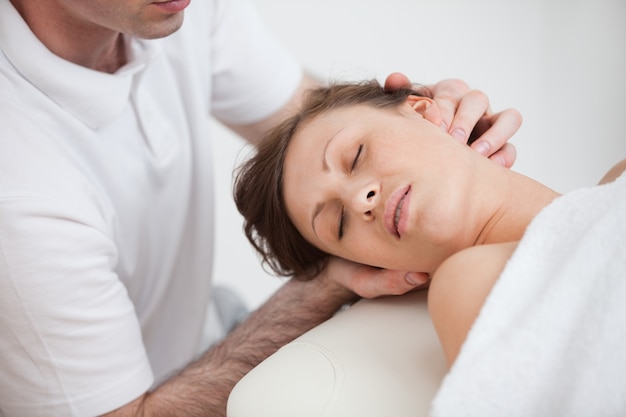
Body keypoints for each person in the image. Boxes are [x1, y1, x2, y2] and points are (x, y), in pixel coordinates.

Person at [0, 0, 520, 416]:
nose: (363, 197)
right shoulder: (21, 193)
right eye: (336, 223)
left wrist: (435, 125)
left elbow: (315, 138)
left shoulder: (174, 9)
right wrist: (328, 283)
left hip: (213, 326)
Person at [233, 78, 626, 365]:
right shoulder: (464, 288)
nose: (358, 200)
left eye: (355, 156)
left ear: (423, 110)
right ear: (373, 267)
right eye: (338, 224)